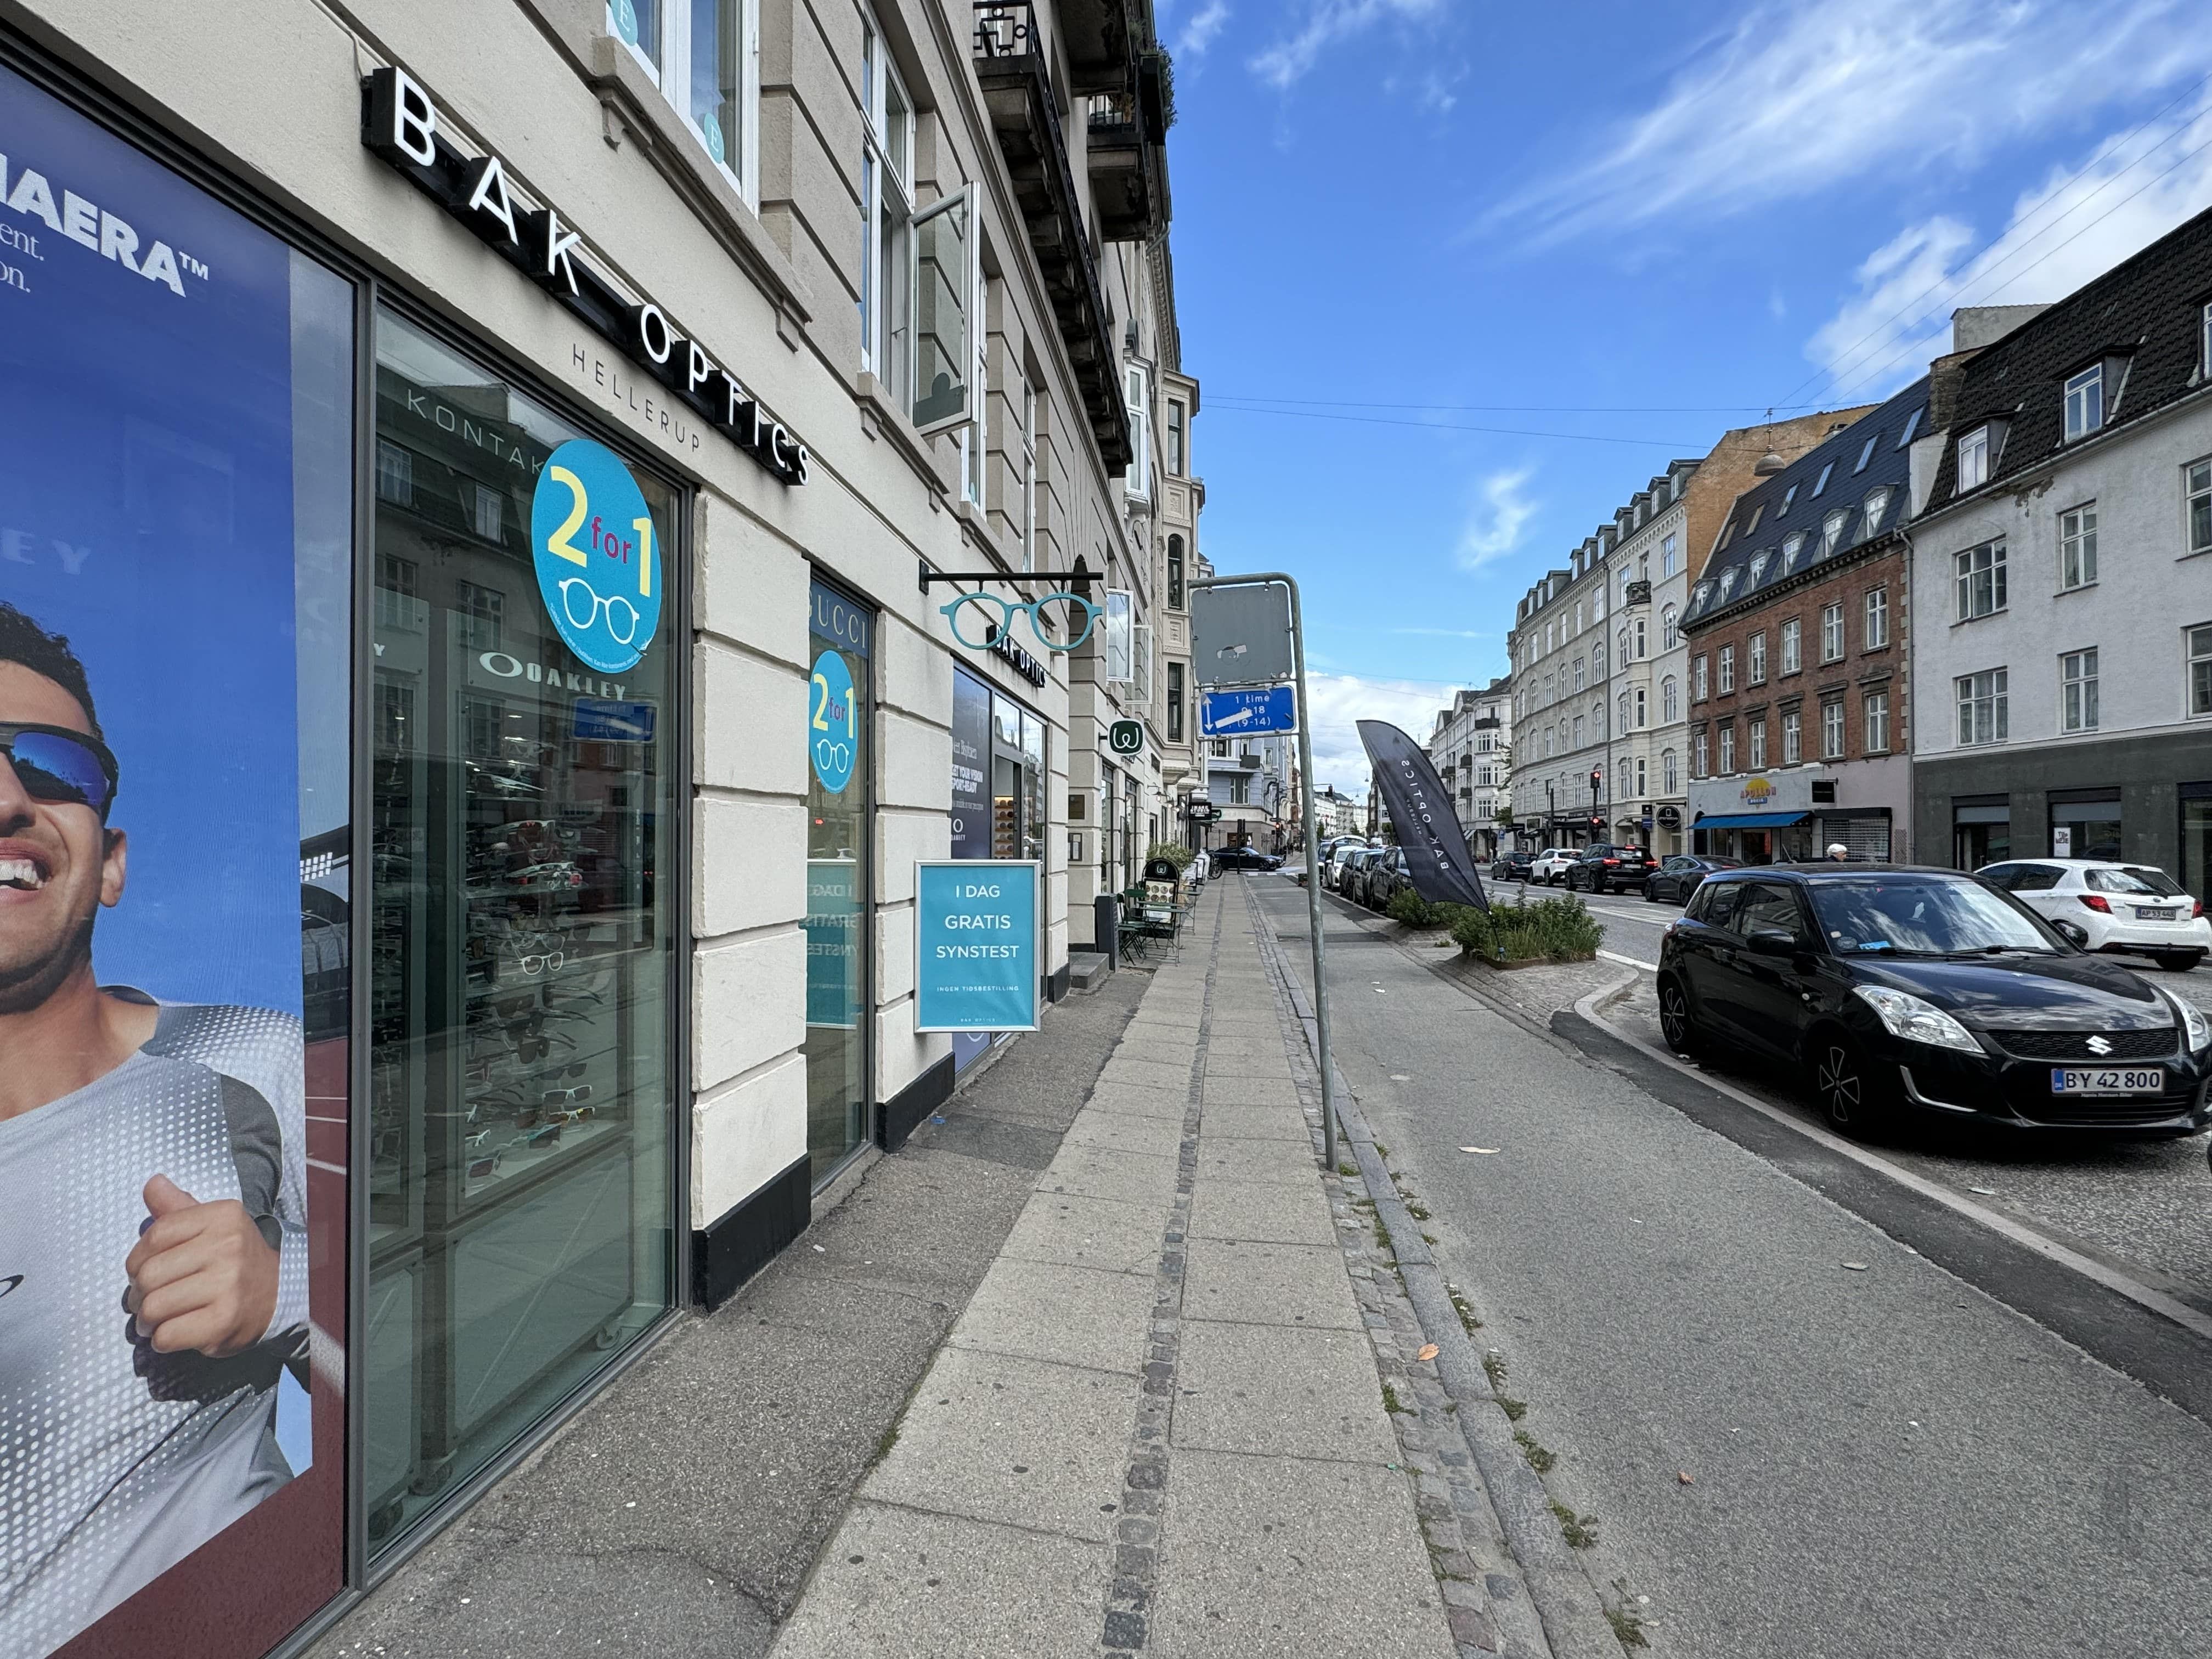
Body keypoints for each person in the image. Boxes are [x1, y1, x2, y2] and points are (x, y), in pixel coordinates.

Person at [0, 602, 307, 1655]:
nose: (7, 798)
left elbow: (430, 1328)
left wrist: (284, 1289)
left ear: (112, 860)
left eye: (48, 768)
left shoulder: (245, 1059)